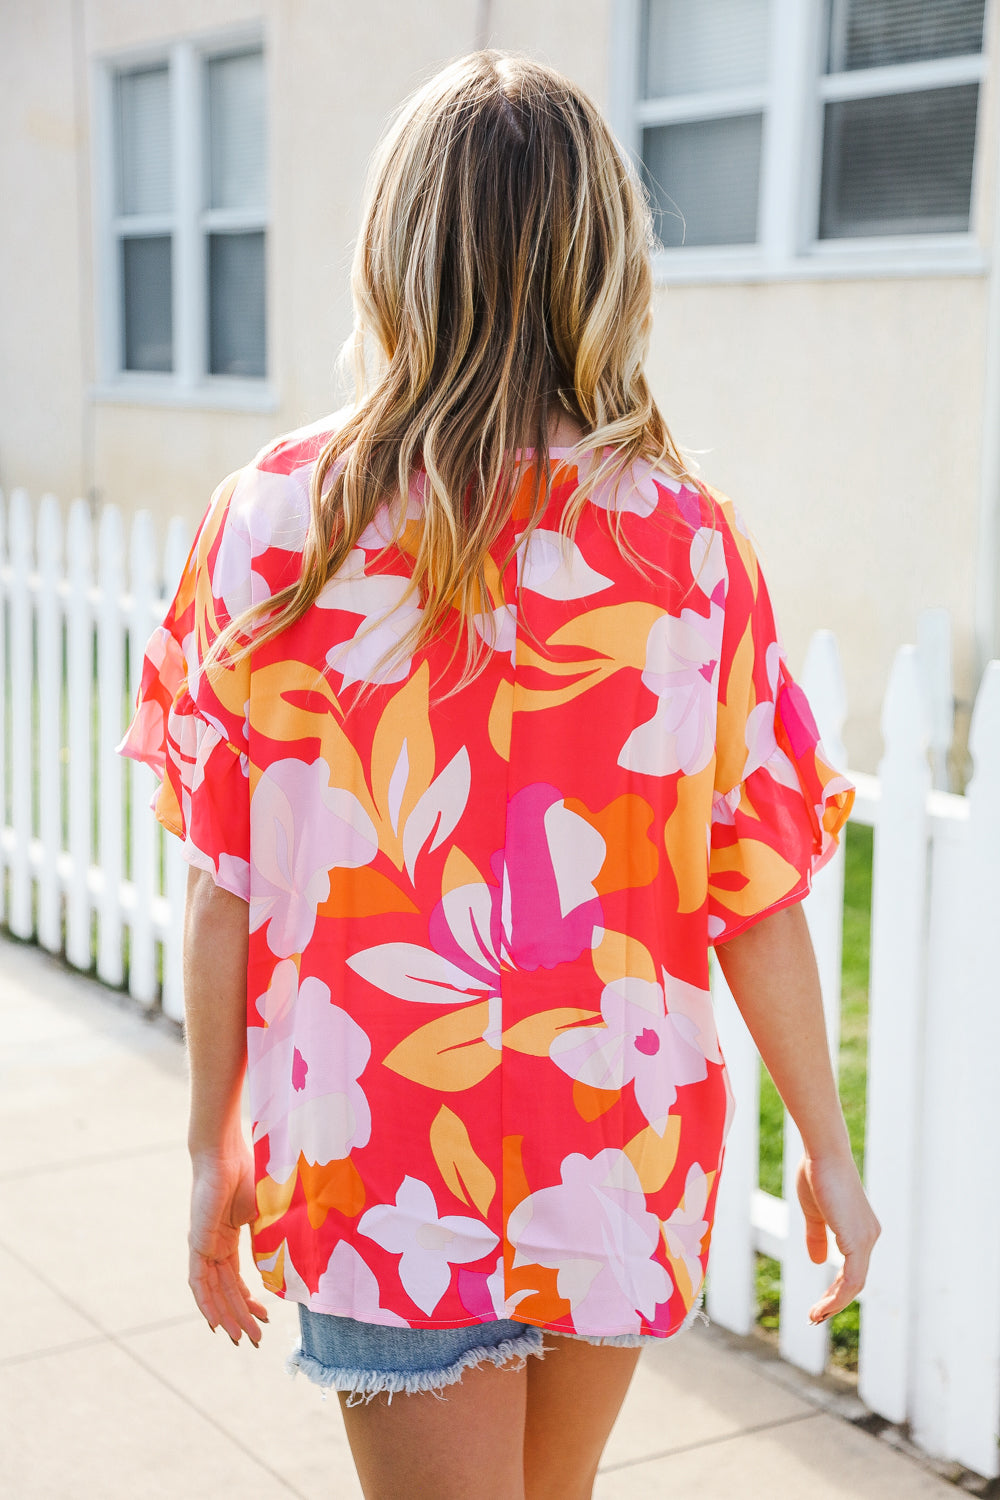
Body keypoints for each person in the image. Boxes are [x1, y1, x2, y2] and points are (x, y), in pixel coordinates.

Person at [119, 49, 880, 1500]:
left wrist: (212, 1145)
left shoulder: (274, 524)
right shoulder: (686, 543)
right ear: (604, 257)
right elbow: (757, 887)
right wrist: (829, 1160)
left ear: (396, 251)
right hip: (615, 1141)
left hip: (378, 1152)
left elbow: (225, 882)